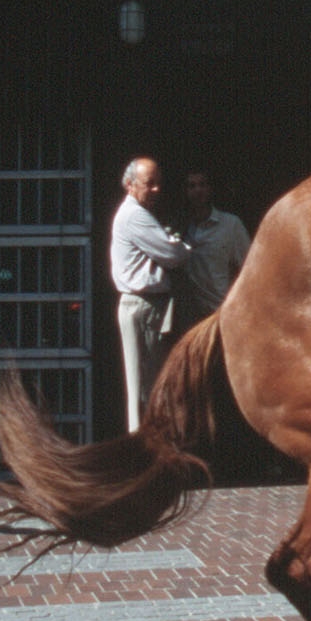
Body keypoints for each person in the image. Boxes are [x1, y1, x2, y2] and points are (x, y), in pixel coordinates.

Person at [109, 156, 188, 433]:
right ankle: (144, 450)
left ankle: (149, 449)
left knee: (148, 382)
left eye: (158, 183)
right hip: (143, 306)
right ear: (130, 185)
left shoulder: (138, 214)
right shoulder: (135, 215)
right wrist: (180, 246)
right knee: (145, 385)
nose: (156, 189)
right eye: (149, 184)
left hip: (147, 306)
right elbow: (173, 255)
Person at [178, 168, 251, 320]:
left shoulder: (230, 224)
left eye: (202, 184)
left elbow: (249, 268)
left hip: (220, 313)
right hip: (189, 317)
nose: (198, 190)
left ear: (210, 188)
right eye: (192, 186)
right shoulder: (179, 226)